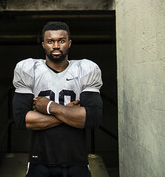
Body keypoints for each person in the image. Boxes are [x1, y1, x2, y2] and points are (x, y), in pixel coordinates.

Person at [12, 21, 103, 177]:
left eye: (61, 40)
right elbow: (22, 119)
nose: (55, 45)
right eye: (50, 41)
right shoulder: (29, 69)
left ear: (69, 43)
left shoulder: (86, 69)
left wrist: (50, 107)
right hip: (39, 160)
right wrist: (70, 112)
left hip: (77, 160)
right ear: (43, 44)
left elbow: (92, 119)